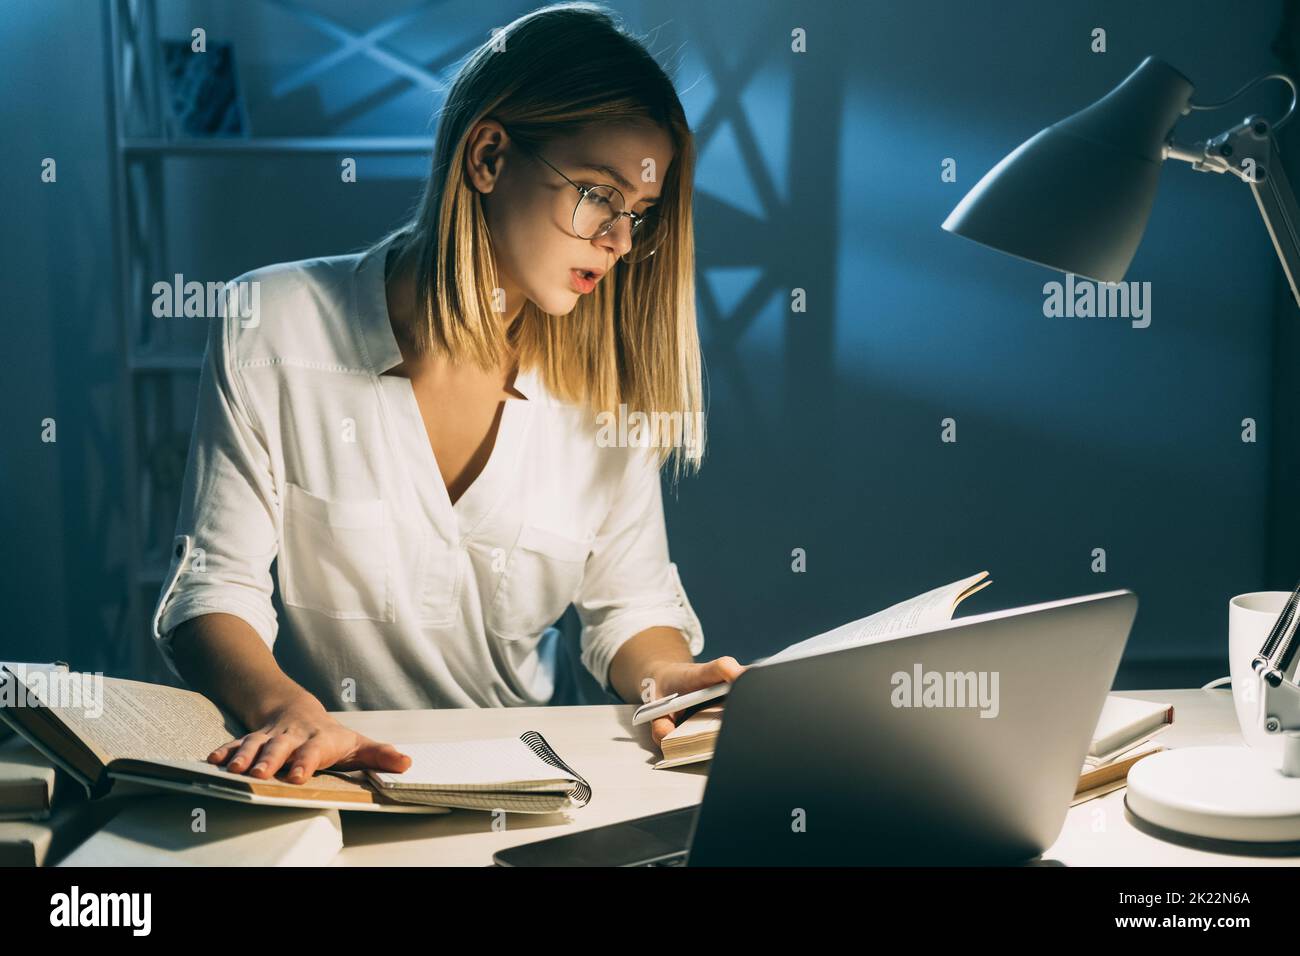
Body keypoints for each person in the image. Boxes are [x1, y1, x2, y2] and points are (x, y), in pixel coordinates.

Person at [151, 2, 743, 785]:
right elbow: (211, 589)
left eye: (637, 213)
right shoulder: (275, 324)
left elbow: (630, 609)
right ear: (489, 157)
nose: (621, 242)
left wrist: (669, 679)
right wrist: (282, 709)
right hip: (328, 783)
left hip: (540, 784)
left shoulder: (606, 391)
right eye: (599, 195)